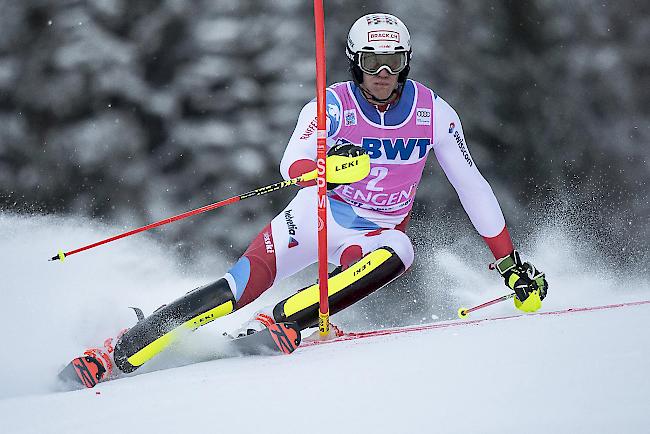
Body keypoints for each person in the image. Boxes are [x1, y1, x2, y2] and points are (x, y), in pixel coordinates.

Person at [70, 13, 548, 386]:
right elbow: (292, 161)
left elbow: (471, 184)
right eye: (372, 62)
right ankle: (117, 351)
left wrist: (508, 262)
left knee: (401, 251)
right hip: (315, 216)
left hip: (374, 233)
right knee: (234, 289)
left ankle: (283, 321)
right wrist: (319, 168)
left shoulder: (432, 112)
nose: (383, 74)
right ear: (353, 61)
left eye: (394, 62)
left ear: (407, 62)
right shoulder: (332, 104)